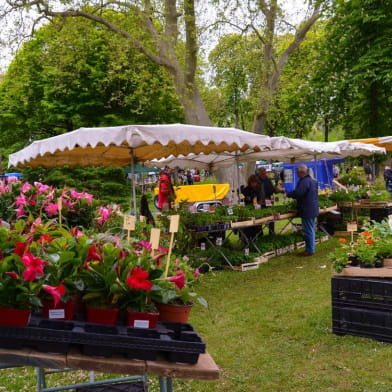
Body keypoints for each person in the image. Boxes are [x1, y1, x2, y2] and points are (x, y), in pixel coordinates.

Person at [287, 164, 319, 257]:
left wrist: (289, 194)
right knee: (311, 229)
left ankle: (310, 250)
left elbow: (299, 193)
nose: (297, 174)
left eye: (297, 172)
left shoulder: (304, 181)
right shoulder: (312, 180)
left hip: (307, 209)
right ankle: (311, 249)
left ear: (301, 172)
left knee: (308, 230)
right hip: (312, 208)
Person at [257, 167, 281, 234]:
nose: (264, 173)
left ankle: (271, 232)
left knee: (271, 216)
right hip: (260, 201)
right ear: (259, 173)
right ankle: (260, 234)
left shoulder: (267, 179)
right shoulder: (257, 180)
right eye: (262, 172)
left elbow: (272, 188)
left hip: (268, 200)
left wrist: (277, 190)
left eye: (264, 172)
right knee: (260, 218)